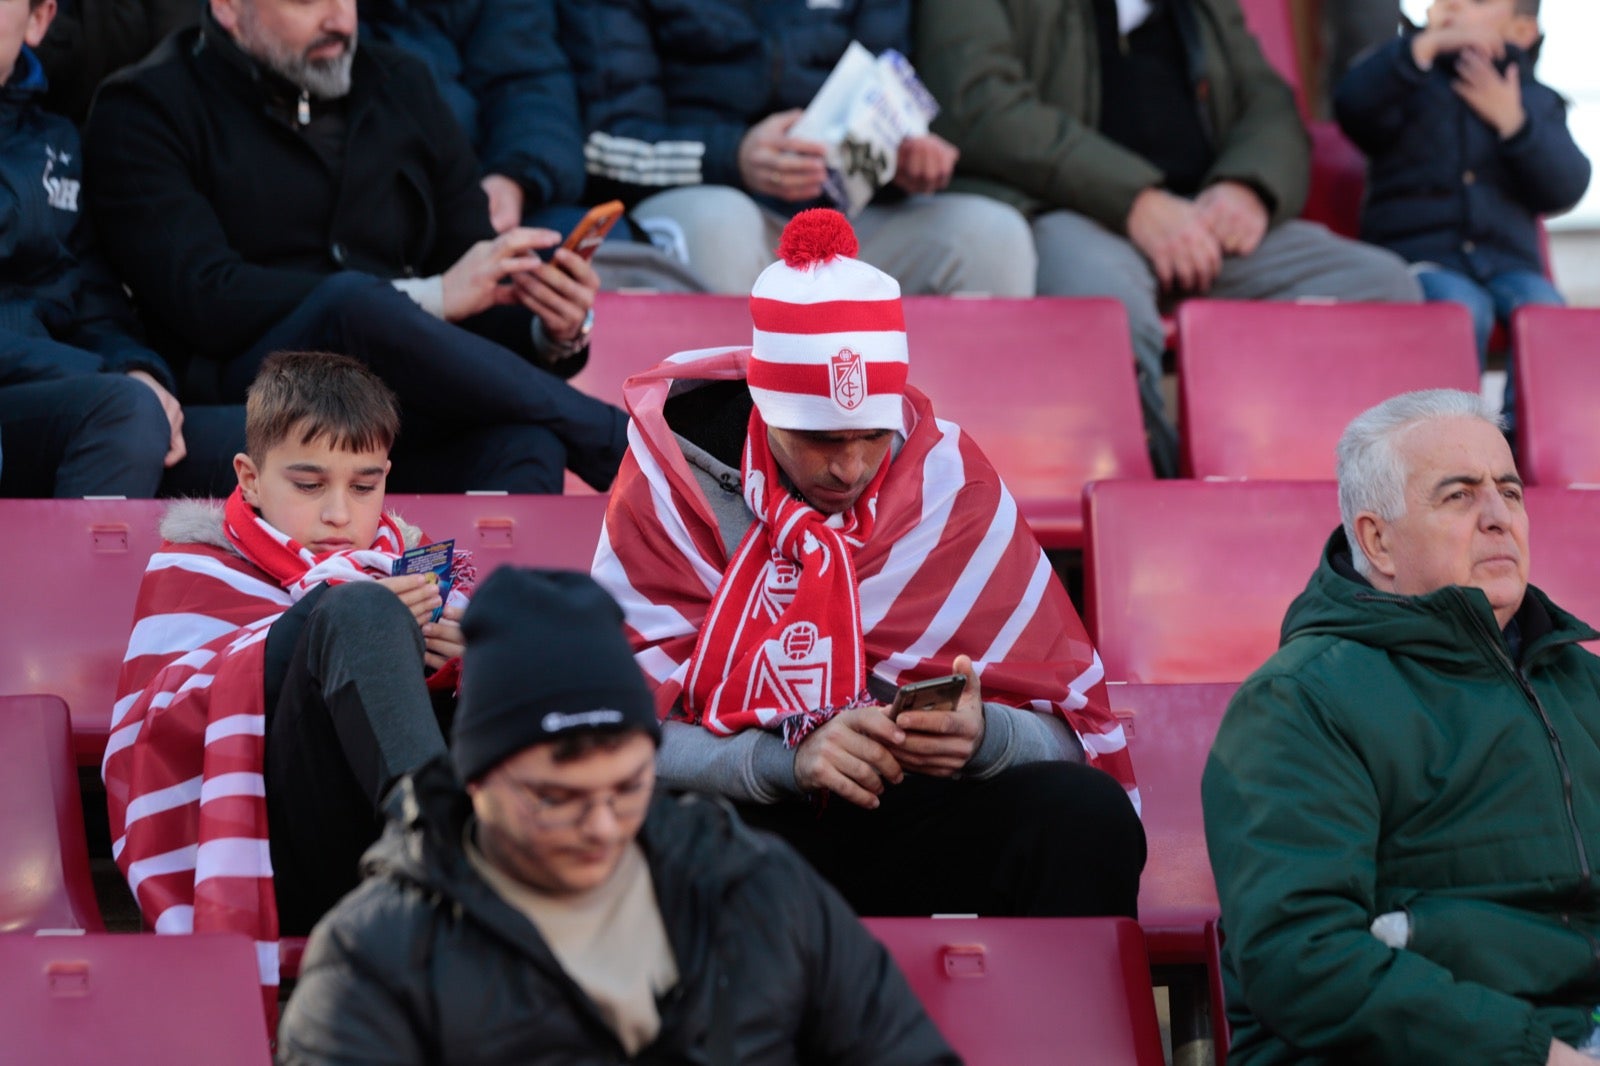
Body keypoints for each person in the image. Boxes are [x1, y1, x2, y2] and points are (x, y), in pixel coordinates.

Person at [592, 208, 1144, 920]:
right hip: (740, 826)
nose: (849, 467)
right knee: (642, 837)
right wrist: (785, 762)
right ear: (763, 404)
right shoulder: (670, 482)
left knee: (1083, 817)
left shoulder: (948, 481)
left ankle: (1064, 1032)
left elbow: (1072, 737)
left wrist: (982, 738)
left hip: (909, 815)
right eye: (820, 439)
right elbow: (611, 727)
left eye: (871, 436)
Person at [276, 566, 958, 1065]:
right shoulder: (373, 963)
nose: (602, 825)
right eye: (555, 797)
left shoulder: (752, 886)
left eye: (627, 787)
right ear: (475, 780)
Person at [82, 0, 628, 494]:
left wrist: (550, 327)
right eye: (307, 2)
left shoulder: (403, 82)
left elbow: (476, 282)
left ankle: (494, 606)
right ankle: (625, 443)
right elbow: (204, 297)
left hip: (400, 409)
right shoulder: (143, 107)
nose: (340, 20)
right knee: (354, 303)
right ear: (228, 7)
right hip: (250, 401)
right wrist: (430, 296)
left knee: (528, 443)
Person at [1202, 388, 1600, 1065]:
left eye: (1510, 491)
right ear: (1377, 540)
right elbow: (1302, 960)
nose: (1500, 518)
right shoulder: (1299, 702)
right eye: (1459, 495)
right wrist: (1535, 1055)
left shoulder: (1581, 684)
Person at [108, 352, 472, 1013]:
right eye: (309, 485)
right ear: (248, 480)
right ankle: (441, 841)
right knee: (357, 609)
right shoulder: (195, 564)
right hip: (276, 857)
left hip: (383, 849)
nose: (340, 514)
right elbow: (155, 730)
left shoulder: (416, 566)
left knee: (524, 622)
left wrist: (453, 660)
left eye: (365, 487)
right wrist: (343, 618)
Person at [913, 0, 1422, 471]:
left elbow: (1268, 100)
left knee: (1383, 288)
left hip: (1205, 217)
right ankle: (1156, 520)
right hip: (1064, 206)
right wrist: (1134, 199)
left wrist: (1248, 185)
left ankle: (1341, 518)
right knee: (1110, 317)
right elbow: (978, 104)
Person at [559, 0, 1038, 298]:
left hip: (843, 215)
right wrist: (734, 155)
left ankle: (940, 457)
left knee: (991, 235)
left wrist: (903, 150)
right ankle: (728, 454)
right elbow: (604, 142)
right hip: (704, 197)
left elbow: (884, 83)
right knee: (720, 226)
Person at [0, 0, 238, 499]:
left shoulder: (56, 141)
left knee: (285, 444)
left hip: (71, 394)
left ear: (39, 19)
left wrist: (135, 367)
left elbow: (94, 300)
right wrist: (111, 379)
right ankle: (66, 582)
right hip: (76, 398)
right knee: (126, 413)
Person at [1335, 0, 1590, 418]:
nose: (1451, 4)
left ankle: (1521, 444)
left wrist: (1515, 123)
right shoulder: (1408, 81)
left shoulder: (1537, 101)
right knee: (1460, 309)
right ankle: (1453, 440)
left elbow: (1566, 185)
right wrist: (1422, 45)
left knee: (1545, 310)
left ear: (1521, 32)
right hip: (1422, 260)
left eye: (1477, 1)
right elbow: (1353, 105)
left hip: (1510, 266)